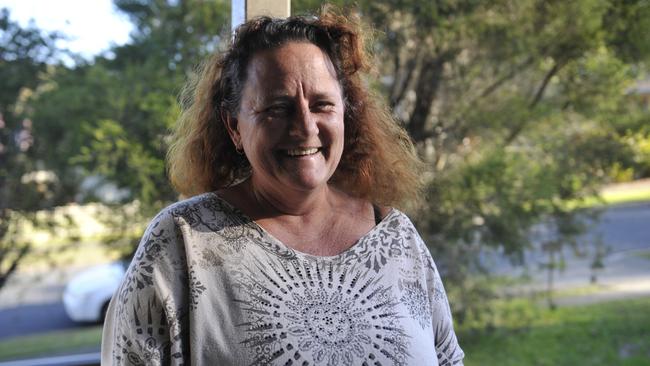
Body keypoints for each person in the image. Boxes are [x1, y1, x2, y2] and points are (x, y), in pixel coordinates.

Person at [101, 9, 464, 366]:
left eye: (322, 105)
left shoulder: (397, 238)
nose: (305, 127)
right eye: (277, 108)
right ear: (234, 127)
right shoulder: (181, 243)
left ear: (345, 115)